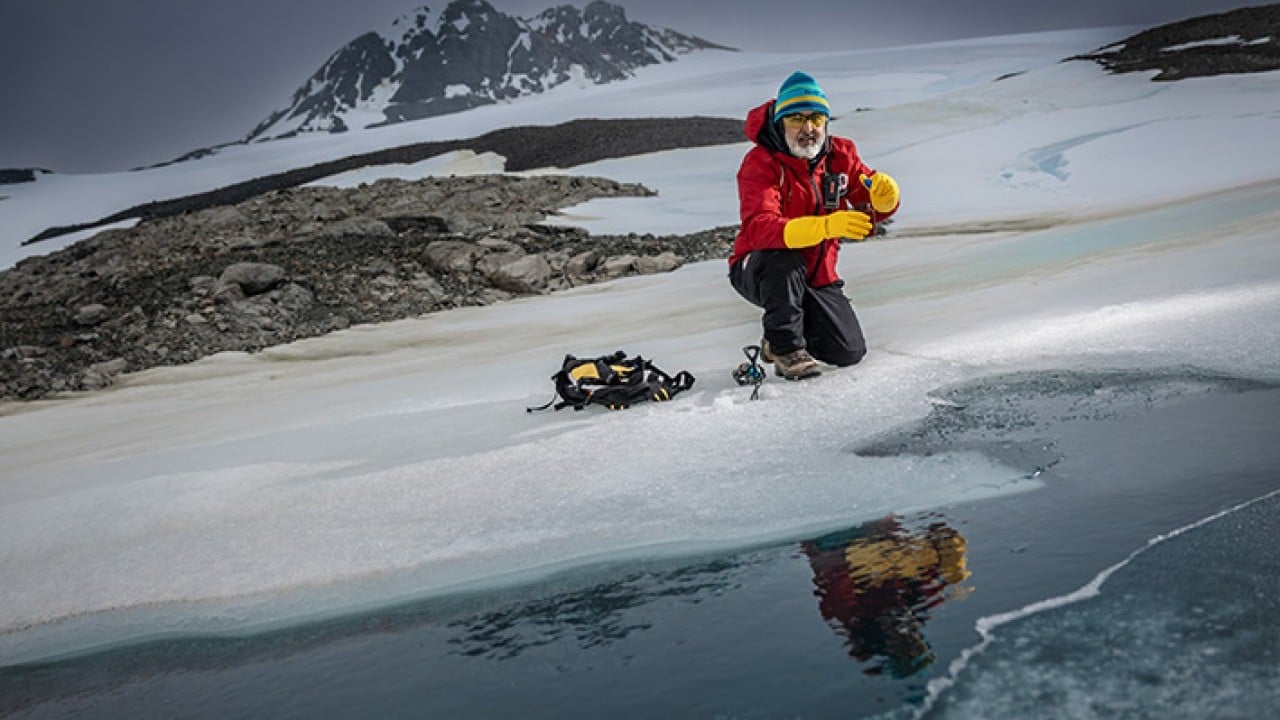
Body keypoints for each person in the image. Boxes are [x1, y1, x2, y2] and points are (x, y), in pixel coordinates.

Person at [729, 71, 900, 380]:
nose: (807, 129)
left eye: (816, 119)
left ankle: (777, 334)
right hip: (758, 268)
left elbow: (866, 205)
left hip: (816, 275)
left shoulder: (841, 155)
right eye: (796, 118)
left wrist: (885, 202)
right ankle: (785, 348)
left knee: (847, 352)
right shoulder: (760, 163)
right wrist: (824, 226)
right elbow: (759, 229)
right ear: (781, 122)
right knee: (784, 258)